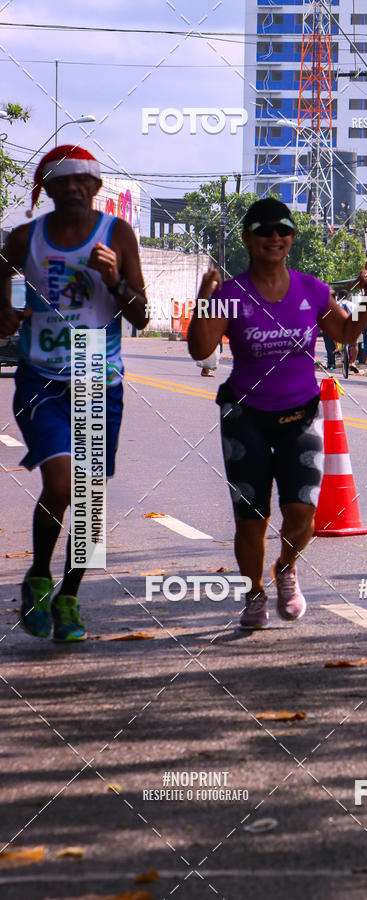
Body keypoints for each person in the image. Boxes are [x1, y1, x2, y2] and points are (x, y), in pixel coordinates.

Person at [187, 197, 367, 629]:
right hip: (245, 417)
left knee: (302, 515)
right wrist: (204, 299)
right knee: (251, 521)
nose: (274, 237)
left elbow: (346, 333)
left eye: (283, 229)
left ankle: (286, 567)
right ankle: (254, 592)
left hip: (300, 415)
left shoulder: (312, 290)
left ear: (291, 237)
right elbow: (200, 349)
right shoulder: (231, 294)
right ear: (247, 238)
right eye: (264, 230)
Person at [0, 145, 148, 642]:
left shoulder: (117, 235)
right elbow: (4, 284)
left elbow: (141, 313)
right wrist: (9, 307)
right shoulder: (26, 238)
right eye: (62, 181)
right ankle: (39, 576)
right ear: (47, 188)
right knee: (63, 485)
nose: (73, 189)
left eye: (82, 180)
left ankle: (69, 597)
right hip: (40, 379)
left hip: (97, 380)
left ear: (96, 186)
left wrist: (116, 280)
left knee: (88, 501)